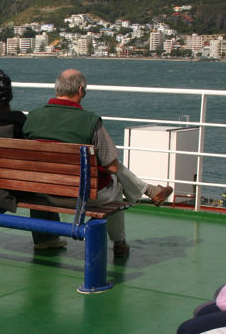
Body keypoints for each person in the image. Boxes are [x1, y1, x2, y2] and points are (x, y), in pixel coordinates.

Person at [23, 69, 173, 258]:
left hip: (42, 192)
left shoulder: (33, 117)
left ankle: (45, 239)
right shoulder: (90, 121)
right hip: (82, 196)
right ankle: (119, 241)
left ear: (56, 89)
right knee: (117, 181)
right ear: (80, 90)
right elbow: (112, 166)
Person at [0, 69, 65, 251]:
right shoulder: (18, 120)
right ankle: (45, 239)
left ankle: (48, 238)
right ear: (9, 95)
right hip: (8, 188)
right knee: (41, 186)